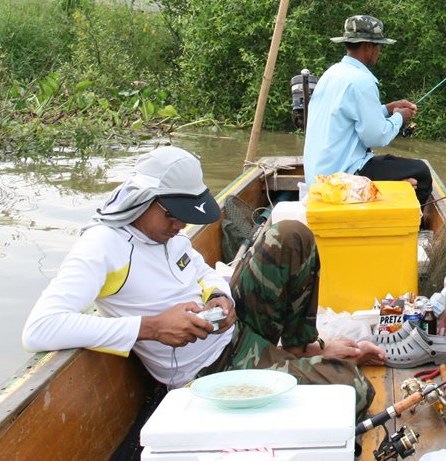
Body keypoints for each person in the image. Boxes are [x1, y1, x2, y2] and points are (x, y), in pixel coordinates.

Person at [21, 146, 384, 417]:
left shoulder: (167, 233)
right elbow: (40, 328)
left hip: (237, 330)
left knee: (290, 234)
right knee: (354, 391)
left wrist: (219, 296)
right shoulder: (103, 246)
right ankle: (295, 364)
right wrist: (151, 328)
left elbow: (205, 271)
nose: (181, 225)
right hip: (211, 368)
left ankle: (302, 348)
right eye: (173, 216)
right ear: (143, 201)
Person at [303, 14, 433, 205]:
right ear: (368, 46)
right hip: (343, 175)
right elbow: (376, 137)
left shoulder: (332, 73)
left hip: (318, 175)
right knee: (421, 172)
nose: (379, 51)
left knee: (400, 171)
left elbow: (349, 117)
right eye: (378, 46)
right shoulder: (361, 81)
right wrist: (399, 117)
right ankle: (405, 225)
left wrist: (388, 109)